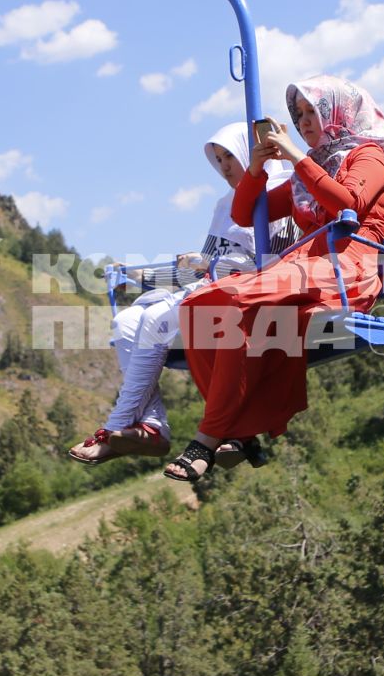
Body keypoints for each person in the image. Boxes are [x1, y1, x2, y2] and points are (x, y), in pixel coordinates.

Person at [165, 75, 384, 481]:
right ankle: (240, 429)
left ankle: (208, 438)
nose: (302, 122)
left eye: (310, 112)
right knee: (199, 304)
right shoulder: (311, 168)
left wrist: (296, 156)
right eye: (297, 116)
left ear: (337, 110)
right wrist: (258, 166)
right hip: (303, 268)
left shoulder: (367, 156)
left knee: (237, 304)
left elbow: (346, 205)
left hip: (344, 268)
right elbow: (247, 213)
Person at [67, 121, 291, 464]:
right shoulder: (225, 204)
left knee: (157, 319)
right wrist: (144, 277)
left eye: (230, 155)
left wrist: (205, 264)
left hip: (240, 297)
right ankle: (152, 426)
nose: (224, 167)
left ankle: (115, 426)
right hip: (206, 286)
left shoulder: (274, 197)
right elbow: (201, 267)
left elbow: (269, 266)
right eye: (218, 159)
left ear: (251, 152)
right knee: (126, 321)